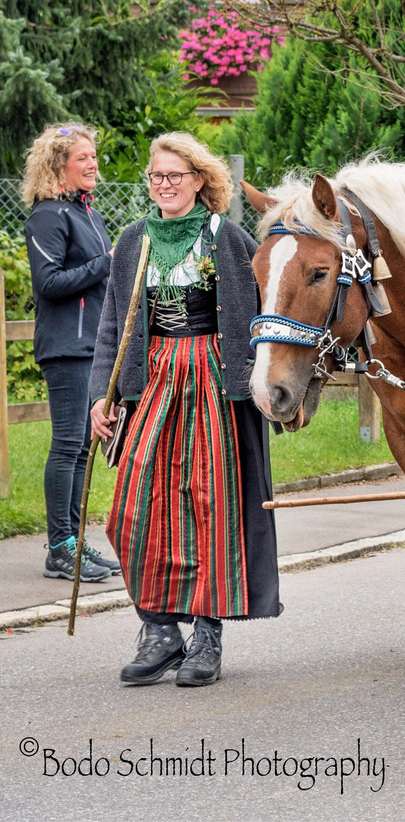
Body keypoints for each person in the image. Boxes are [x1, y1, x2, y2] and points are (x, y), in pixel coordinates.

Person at [89, 133, 278, 687]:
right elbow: (111, 327)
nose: (164, 185)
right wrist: (104, 394)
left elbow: (269, 313)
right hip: (152, 384)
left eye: (175, 175)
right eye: (156, 176)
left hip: (214, 383)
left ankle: (206, 635)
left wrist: (264, 379)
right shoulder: (132, 241)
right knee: (132, 511)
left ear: (200, 180)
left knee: (208, 508)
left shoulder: (227, 237)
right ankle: (160, 630)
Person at [22, 125, 117, 584]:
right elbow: (49, 283)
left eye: (94, 156)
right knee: (67, 446)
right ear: (59, 165)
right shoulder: (47, 215)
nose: (93, 164)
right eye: (84, 158)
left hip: (92, 347)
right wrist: (109, 261)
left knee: (83, 447)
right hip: (65, 347)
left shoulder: (89, 215)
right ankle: (59, 548)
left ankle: (75, 544)